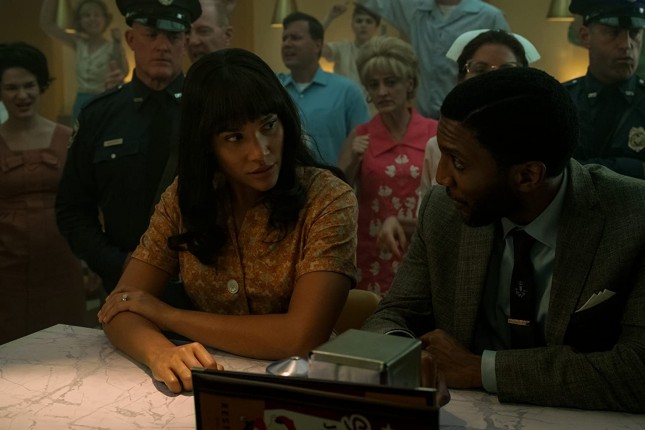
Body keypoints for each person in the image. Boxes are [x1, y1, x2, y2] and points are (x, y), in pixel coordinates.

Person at [362, 66, 645, 412]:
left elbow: (638, 371)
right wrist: (407, 355)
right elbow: (390, 316)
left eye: (458, 162)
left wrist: (481, 369)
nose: (441, 177)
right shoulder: (444, 210)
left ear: (528, 176)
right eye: (442, 154)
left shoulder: (632, 218)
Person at [96, 48, 358, 394]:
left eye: (268, 126)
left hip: (306, 391)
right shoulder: (185, 197)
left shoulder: (327, 198)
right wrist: (160, 352)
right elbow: (120, 307)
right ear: (207, 144)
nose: (260, 152)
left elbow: (300, 337)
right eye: (235, 138)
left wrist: (167, 315)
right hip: (210, 382)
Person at [55, 0, 201, 297]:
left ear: (185, 41)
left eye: (173, 37)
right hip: (125, 282)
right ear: (131, 39)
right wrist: (114, 262)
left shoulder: (207, 110)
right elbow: (73, 208)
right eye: (151, 35)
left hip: (204, 283)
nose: (162, 46)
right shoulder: (99, 115)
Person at [377, 29, 540, 258]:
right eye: (479, 69)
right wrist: (397, 222)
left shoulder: (538, 146)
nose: (491, 79)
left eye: (506, 70)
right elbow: (431, 225)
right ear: (461, 79)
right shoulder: (438, 147)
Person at [337, 36, 437, 296]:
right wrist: (353, 160)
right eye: (374, 84)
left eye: (390, 82)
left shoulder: (434, 133)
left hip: (423, 248)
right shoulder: (360, 135)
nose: (381, 92)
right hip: (374, 252)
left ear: (409, 83)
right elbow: (337, 196)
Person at [0, 42, 86, 344]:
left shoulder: (67, 137)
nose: (22, 95)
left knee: (67, 343)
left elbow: (83, 200)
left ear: (41, 86)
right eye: (12, 88)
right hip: (6, 266)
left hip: (62, 260)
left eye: (29, 85)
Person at [356, 0, 509, 119]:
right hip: (424, 120)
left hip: (467, 120)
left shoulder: (489, 16)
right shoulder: (415, 10)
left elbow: (507, 72)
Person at [565, 0, 645, 179]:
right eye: (613, 33)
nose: (626, 45)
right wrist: (635, 169)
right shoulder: (562, 100)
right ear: (585, 36)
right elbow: (550, 171)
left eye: (634, 33)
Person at [278, 12, 369, 166]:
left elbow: (364, 145)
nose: (287, 44)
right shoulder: (276, 90)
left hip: (335, 180)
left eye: (295, 38)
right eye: (284, 38)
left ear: (318, 45)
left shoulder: (347, 91)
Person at [40, 0, 129, 122]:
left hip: (104, 102)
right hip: (81, 103)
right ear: (79, 21)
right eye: (86, 15)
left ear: (105, 19)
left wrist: (118, 43)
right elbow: (47, 25)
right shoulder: (78, 43)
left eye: (97, 15)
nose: (92, 19)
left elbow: (124, 72)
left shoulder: (112, 47)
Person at [321, 2, 381, 90]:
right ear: (352, 25)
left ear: (376, 27)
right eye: (359, 21)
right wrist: (329, 17)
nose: (363, 25)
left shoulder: (382, 51)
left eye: (369, 21)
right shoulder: (342, 48)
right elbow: (313, 47)